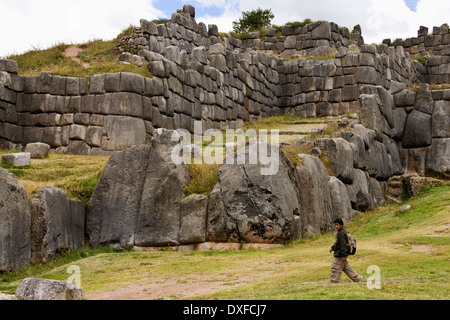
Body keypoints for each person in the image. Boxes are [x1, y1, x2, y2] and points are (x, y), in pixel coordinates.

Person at [329, 218, 363, 283]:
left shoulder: (341, 233)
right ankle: (358, 279)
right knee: (347, 269)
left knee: (335, 267)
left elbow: (343, 245)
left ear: (341, 225)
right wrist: (332, 248)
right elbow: (337, 243)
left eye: (337, 225)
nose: (336, 226)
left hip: (340, 255)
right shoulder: (340, 232)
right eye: (335, 225)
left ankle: (334, 281)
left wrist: (344, 255)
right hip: (341, 254)